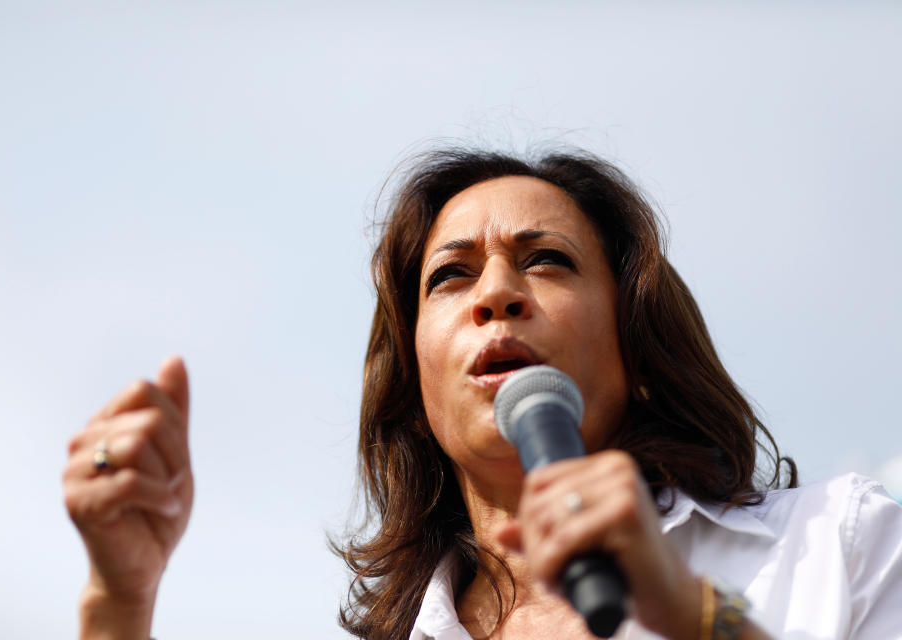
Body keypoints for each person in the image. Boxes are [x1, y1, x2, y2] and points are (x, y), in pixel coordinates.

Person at [64, 148, 902, 640]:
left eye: (546, 260)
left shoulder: (840, 542)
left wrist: (690, 615)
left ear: (639, 348)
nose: (494, 294)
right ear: (415, 394)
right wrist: (119, 601)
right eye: (450, 276)